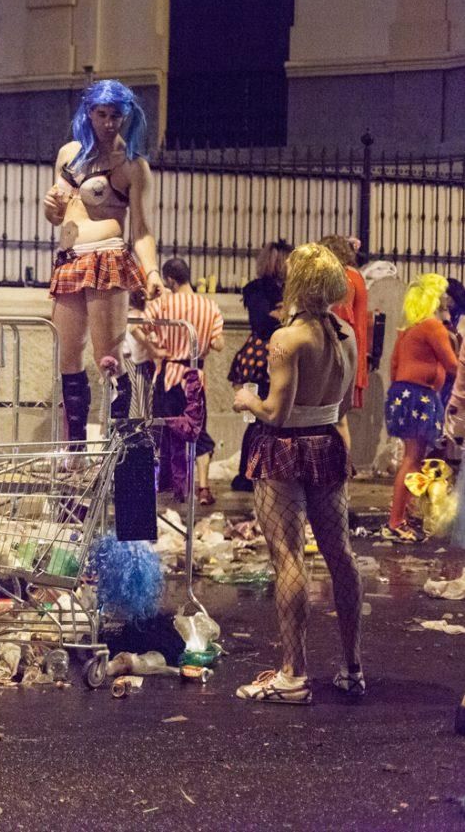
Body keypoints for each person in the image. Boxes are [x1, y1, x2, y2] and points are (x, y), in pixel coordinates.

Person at [232, 243, 363, 704]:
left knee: (288, 558)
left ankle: (293, 674)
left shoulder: (288, 339)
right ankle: (352, 666)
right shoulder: (346, 333)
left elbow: (276, 413)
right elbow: (344, 406)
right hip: (328, 446)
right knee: (340, 554)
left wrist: (247, 400)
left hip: (285, 452)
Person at [43, 80, 161, 445]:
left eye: (116, 115)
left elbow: (141, 230)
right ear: (89, 113)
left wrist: (152, 271)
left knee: (107, 355)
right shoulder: (70, 155)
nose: (109, 123)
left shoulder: (132, 165)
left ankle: (119, 443)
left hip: (108, 258)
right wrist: (49, 209)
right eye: (102, 114)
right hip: (69, 260)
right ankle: (74, 447)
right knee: (68, 355)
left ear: (126, 117)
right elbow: (57, 216)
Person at [145, 257, 224, 504]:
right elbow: (218, 344)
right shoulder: (210, 306)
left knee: (168, 430)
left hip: (169, 375)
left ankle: (171, 485)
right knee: (197, 431)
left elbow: (141, 324)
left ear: (170, 280)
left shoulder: (165, 304)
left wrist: (154, 348)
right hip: (195, 378)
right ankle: (203, 488)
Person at [384, 273, 455, 542]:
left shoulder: (410, 328)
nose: (447, 301)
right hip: (419, 396)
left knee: (412, 457)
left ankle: (404, 513)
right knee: (413, 459)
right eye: (443, 296)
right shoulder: (432, 327)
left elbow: (394, 366)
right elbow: (452, 365)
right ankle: (396, 520)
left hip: (403, 395)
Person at [228, 240, 291, 492]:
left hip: (272, 354)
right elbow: (262, 323)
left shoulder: (282, 290)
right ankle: (248, 472)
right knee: (257, 418)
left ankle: (258, 470)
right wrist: (283, 315)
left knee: (266, 418)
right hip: (261, 359)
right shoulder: (258, 290)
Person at [321, 236, 370, 408]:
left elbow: (340, 316)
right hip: (354, 346)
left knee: (335, 415)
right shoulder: (355, 274)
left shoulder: (344, 277)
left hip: (344, 350)